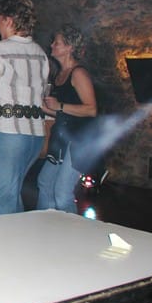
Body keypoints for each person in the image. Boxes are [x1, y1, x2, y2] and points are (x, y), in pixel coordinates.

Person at [0, 0, 49, 216]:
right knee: (11, 196)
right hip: (34, 136)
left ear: (8, 20)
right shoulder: (41, 53)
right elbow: (43, 95)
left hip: (8, 134)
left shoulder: (0, 50)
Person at [36, 25, 97, 213]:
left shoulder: (78, 73)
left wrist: (59, 106)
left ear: (69, 47)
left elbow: (91, 110)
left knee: (62, 193)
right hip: (63, 137)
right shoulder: (59, 75)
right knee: (45, 182)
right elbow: (65, 113)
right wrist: (45, 108)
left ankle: (72, 229)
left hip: (80, 139)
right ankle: (46, 225)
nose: (52, 45)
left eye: (57, 43)